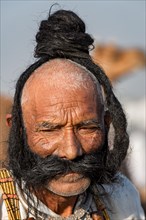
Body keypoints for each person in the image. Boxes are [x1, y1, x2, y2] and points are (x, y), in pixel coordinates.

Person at [0, 9, 145, 220]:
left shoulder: (120, 198)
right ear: (18, 129)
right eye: (50, 129)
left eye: (86, 128)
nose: (71, 151)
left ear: (106, 124)